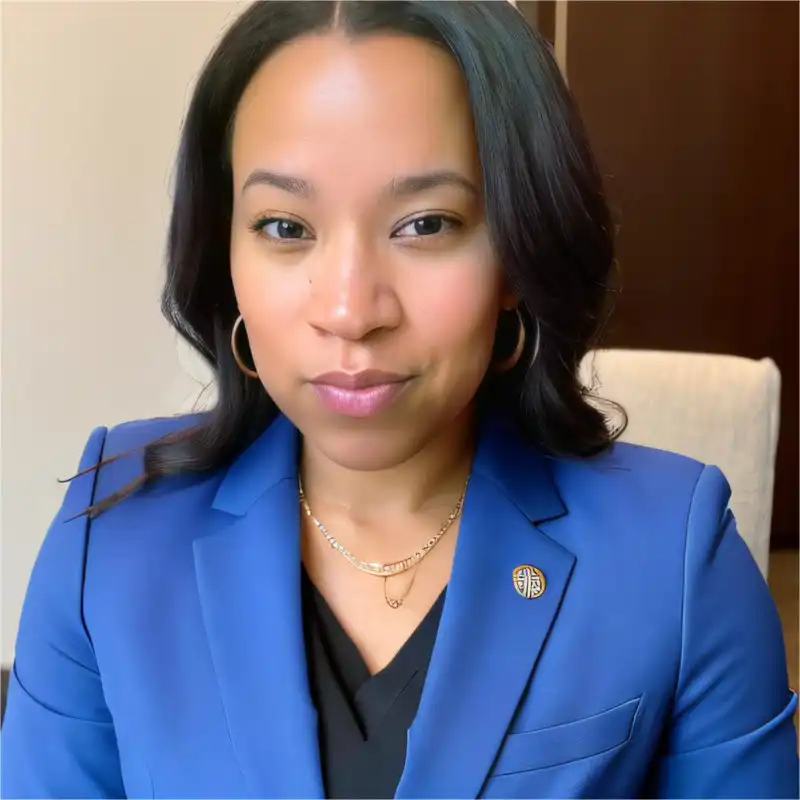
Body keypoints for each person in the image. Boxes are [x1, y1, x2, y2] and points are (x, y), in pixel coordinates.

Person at [2, 2, 797, 798]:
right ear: (225, 250)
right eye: (285, 227)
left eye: (425, 224)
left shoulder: (675, 556)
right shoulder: (112, 534)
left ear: (519, 249)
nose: (351, 311)